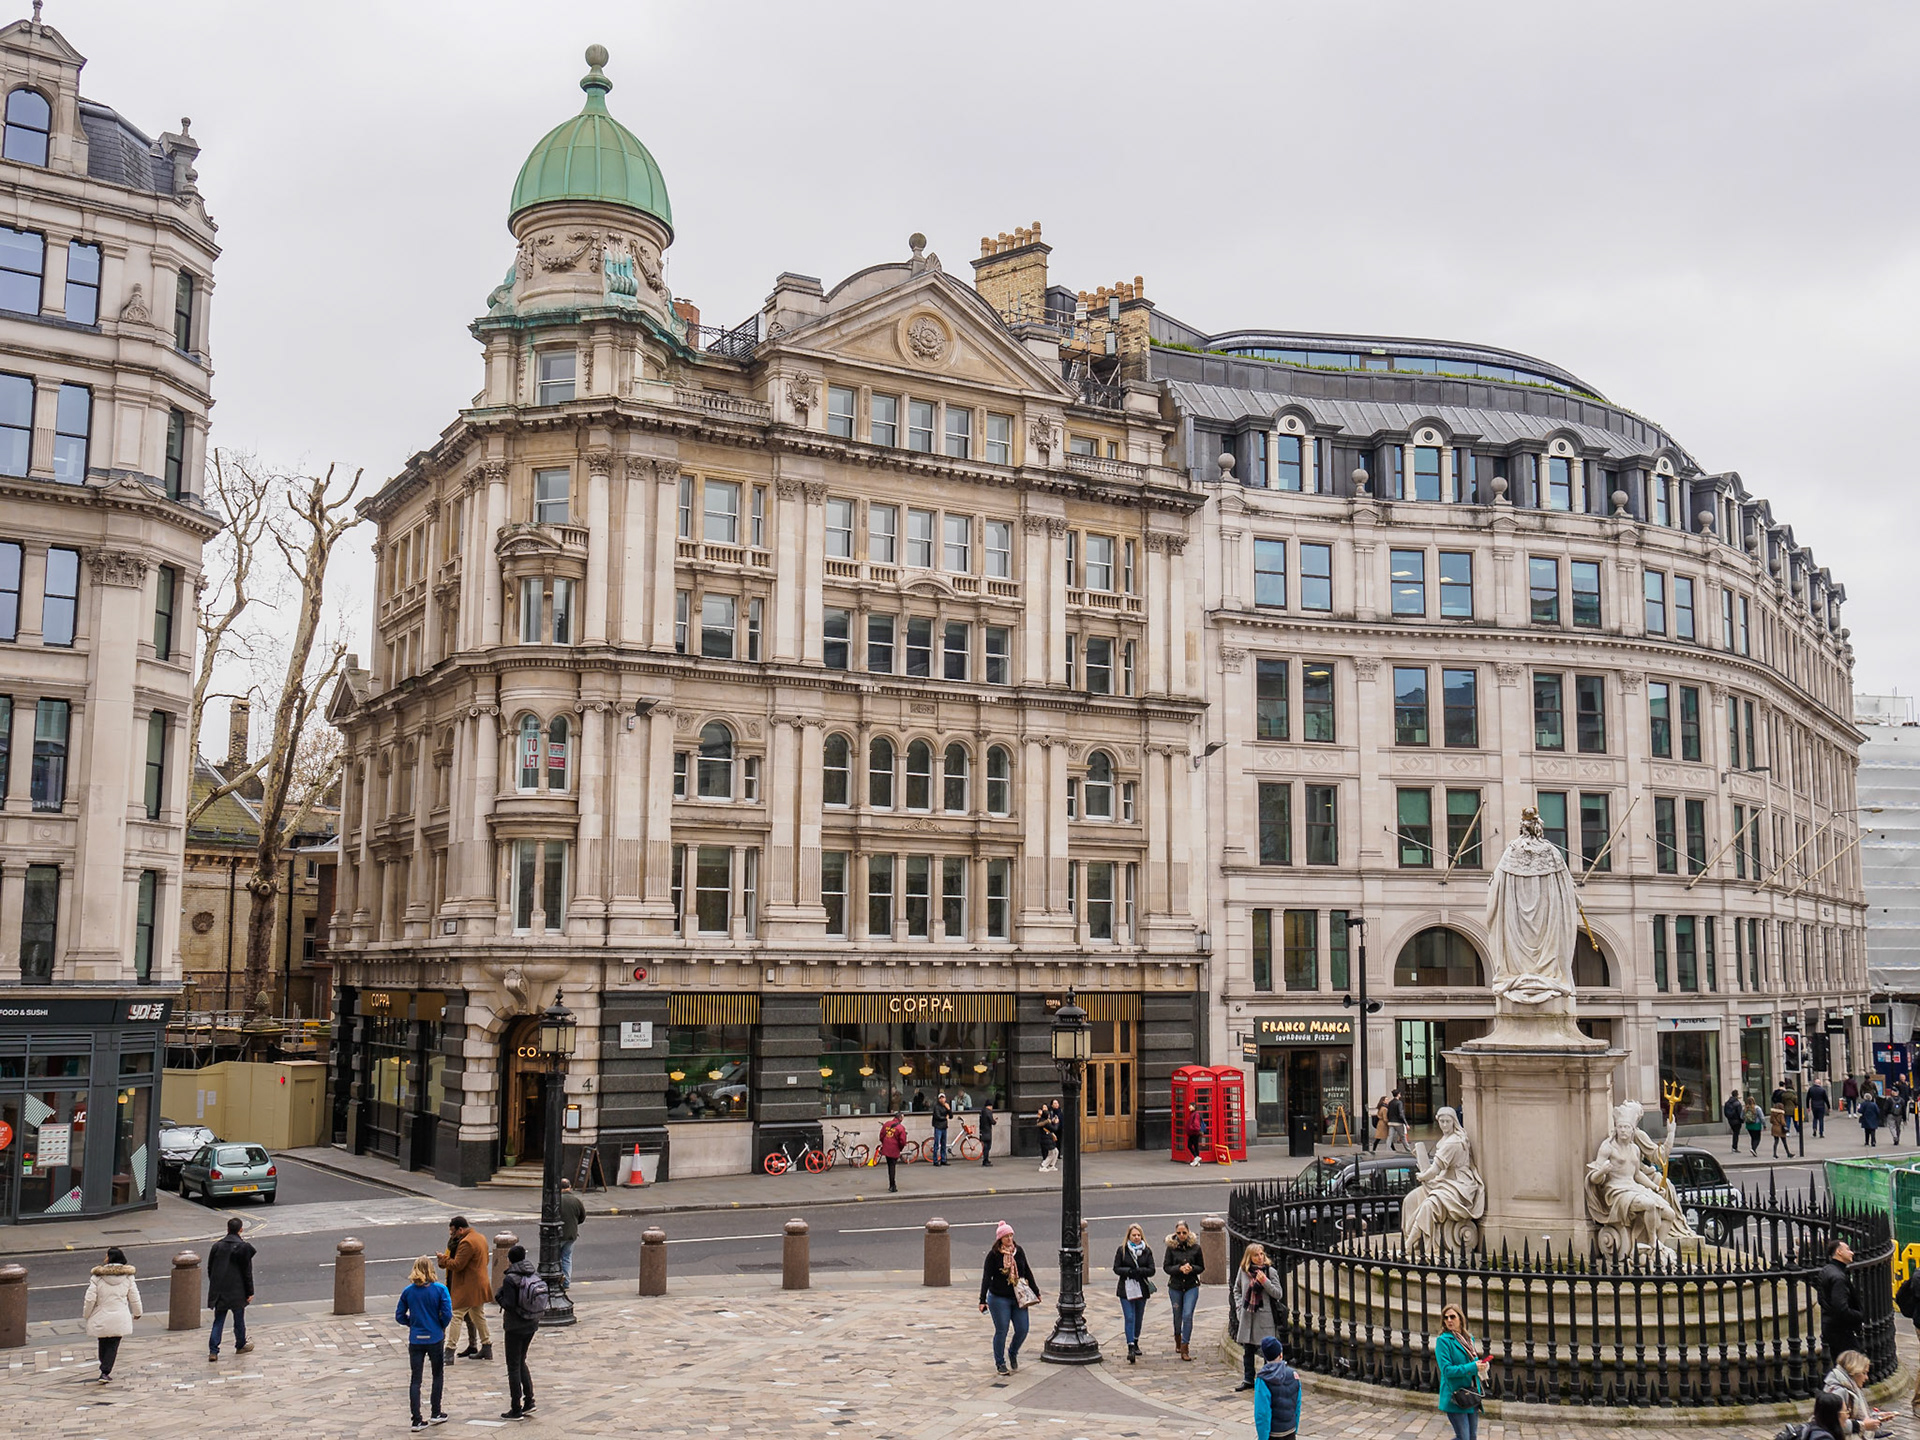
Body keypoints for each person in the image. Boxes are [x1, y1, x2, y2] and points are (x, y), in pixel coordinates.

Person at [395, 1255, 453, 1431]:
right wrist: (440, 1326)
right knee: (437, 1374)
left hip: (416, 1339)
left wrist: (411, 1323)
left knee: (416, 1380)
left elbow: (399, 1315)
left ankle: (416, 1419)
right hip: (435, 1337)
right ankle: (436, 1412)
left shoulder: (408, 1291)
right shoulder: (440, 1290)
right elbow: (447, 1313)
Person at [978, 1221, 1039, 1376]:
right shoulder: (994, 1256)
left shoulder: (1019, 1252)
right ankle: (1000, 1363)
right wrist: (982, 1300)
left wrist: (1036, 1291)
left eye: (1011, 1235)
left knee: (1023, 1329)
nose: (1009, 1239)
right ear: (1000, 1239)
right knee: (1002, 1330)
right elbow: (986, 1277)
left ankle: (1013, 1351)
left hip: (1018, 1297)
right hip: (999, 1298)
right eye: (1006, 1236)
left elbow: (1027, 1271)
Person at [495, 1242, 548, 1420]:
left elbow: (509, 1304)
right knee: (521, 1360)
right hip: (531, 1323)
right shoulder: (533, 1273)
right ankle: (530, 1400)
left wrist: (500, 1297)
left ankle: (515, 1407)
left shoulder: (511, 1279)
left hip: (515, 1326)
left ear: (510, 1259)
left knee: (513, 1365)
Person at [81, 1247, 141, 1384]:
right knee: (113, 1344)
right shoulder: (128, 1277)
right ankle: (105, 1371)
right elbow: (134, 1296)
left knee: (103, 1342)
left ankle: (104, 1367)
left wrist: (87, 1314)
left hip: (101, 1314)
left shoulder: (97, 1277)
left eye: (106, 1256)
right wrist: (138, 1312)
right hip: (120, 1316)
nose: (104, 1258)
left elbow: (90, 1299)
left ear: (110, 1258)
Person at [438, 1217, 492, 1362]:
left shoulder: (467, 1242)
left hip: (469, 1286)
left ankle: (449, 1351)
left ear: (460, 1229)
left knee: (456, 1315)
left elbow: (457, 1265)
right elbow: (486, 1260)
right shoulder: (480, 1237)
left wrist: (443, 1259)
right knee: (478, 1315)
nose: (451, 1235)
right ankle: (486, 1346)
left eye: (452, 1232)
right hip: (480, 1283)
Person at [1231, 1243, 1282, 1391]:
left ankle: (1268, 1378)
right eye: (1256, 1255)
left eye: (1261, 1254)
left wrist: (1264, 1281)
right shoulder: (1243, 1271)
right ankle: (1248, 1379)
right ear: (1249, 1258)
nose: (1260, 1258)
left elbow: (1278, 1293)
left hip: (1264, 1317)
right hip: (1247, 1316)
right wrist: (1239, 1307)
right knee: (1248, 1350)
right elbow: (1237, 1290)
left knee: (1267, 1349)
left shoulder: (1270, 1272)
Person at [1435, 1302, 1489, 1440]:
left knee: (1472, 1437)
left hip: (1471, 1393)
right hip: (1456, 1395)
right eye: (1446, 1318)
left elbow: (1472, 1363)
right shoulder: (1443, 1341)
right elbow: (1446, 1370)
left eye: (1452, 1317)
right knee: (1463, 1437)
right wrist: (1472, 1367)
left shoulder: (1468, 1338)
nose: (1449, 1320)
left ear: (1460, 1318)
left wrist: (1481, 1366)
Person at [207, 1215, 256, 1362]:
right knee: (239, 1319)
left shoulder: (217, 1246)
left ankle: (213, 1351)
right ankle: (240, 1345)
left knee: (218, 1320)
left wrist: (215, 1286)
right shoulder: (243, 1247)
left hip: (220, 1291)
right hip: (237, 1290)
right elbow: (247, 1272)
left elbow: (210, 1269)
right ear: (241, 1230)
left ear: (227, 1229)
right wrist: (250, 1292)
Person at [1112, 1224, 1156, 1362]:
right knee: (1129, 1316)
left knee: (1138, 1316)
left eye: (1138, 1235)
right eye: (1134, 1235)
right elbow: (1116, 1268)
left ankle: (1136, 1340)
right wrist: (1129, 1272)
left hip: (1141, 1288)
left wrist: (1139, 1272)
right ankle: (1130, 1345)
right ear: (1129, 1236)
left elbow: (1151, 1269)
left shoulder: (1147, 1251)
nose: (1136, 1238)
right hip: (1126, 1288)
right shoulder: (1122, 1251)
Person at [1163, 1221, 1205, 1361]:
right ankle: (1177, 1338)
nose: (1181, 1235)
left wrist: (1191, 1268)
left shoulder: (1196, 1248)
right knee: (1177, 1315)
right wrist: (1179, 1269)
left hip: (1191, 1285)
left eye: (1184, 1233)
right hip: (1175, 1286)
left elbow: (1201, 1267)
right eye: (1179, 1233)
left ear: (1188, 1233)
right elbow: (1167, 1267)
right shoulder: (1171, 1248)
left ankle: (1185, 1346)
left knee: (1187, 1315)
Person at [1818, 1238, 1863, 1364]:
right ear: (1839, 1252)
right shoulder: (1838, 1277)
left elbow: (1822, 1299)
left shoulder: (1827, 1270)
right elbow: (1841, 1308)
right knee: (1854, 1364)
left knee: (1842, 1364)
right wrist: (1859, 1316)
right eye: (1848, 1250)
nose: (1852, 1252)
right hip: (1840, 1329)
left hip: (1830, 1326)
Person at [1253, 1336, 1301, 1440]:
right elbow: (1297, 1405)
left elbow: (1262, 1413)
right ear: (1281, 1354)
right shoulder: (1294, 1375)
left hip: (1273, 1434)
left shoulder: (1263, 1379)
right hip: (1290, 1431)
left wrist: (1263, 1437)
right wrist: (1295, 1427)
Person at [1825, 1349, 1882, 1435]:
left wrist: (1877, 1417)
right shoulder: (1838, 1391)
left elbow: (1855, 1415)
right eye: (1864, 1373)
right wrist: (1862, 1426)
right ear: (1854, 1372)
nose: (1866, 1378)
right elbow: (1834, 1423)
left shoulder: (1851, 1387)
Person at [558, 1178, 586, 1286]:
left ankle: (558, 1280)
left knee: (556, 1259)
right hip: (571, 1235)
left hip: (558, 1235)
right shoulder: (576, 1201)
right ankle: (566, 1282)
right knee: (566, 1258)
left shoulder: (557, 1200)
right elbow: (582, 1217)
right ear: (569, 1187)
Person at [878, 1111, 907, 1192]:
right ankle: (892, 1185)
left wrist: (884, 1143)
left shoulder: (887, 1124)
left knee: (889, 1165)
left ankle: (892, 1184)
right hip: (894, 1149)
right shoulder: (901, 1128)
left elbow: (881, 1135)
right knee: (892, 1166)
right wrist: (900, 1148)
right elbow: (903, 1141)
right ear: (900, 1118)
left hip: (886, 1147)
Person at [931, 1091, 953, 1166]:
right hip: (938, 1127)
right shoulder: (936, 1106)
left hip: (944, 1127)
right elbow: (938, 1116)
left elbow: (951, 1116)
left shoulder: (946, 1106)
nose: (942, 1099)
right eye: (940, 1098)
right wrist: (945, 1118)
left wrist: (949, 1109)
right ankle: (935, 1160)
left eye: (943, 1098)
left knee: (943, 1144)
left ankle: (943, 1159)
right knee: (936, 1144)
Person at [1037, 1103, 1059, 1173]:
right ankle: (1043, 1165)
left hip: (1047, 1139)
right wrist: (1056, 1123)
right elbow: (1054, 1129)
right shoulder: (1046, 1123)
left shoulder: (1042, 1121)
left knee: (1055, 1151)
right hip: (1047, 1139)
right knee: (1052, 1153)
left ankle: (1051, 1165)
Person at [978, 1103, 996, 1167]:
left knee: (985, 1146)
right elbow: (991, 1121)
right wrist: (994, 1121)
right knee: (987, 1146)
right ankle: (985, 1160)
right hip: (987, 1131)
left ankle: (986, 1160)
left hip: (982, 1131)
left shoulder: (982, 1112)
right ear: (989, 1106)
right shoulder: (988, 1112)